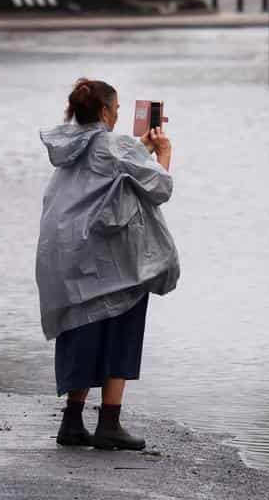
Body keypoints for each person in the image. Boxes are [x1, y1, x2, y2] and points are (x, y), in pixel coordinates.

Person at [36, 78, 180, 451]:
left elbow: (109, 165)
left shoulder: (69, 145)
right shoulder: (116, 145)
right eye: (116, 110)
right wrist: (162, 152)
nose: (117, 116)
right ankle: (110, 421)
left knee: (81, 327)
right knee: (123, 324)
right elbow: (159, 187)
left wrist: (136, 149)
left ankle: (72, 421)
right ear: (104, 111)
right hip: (108, 261)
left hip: (66, 255)